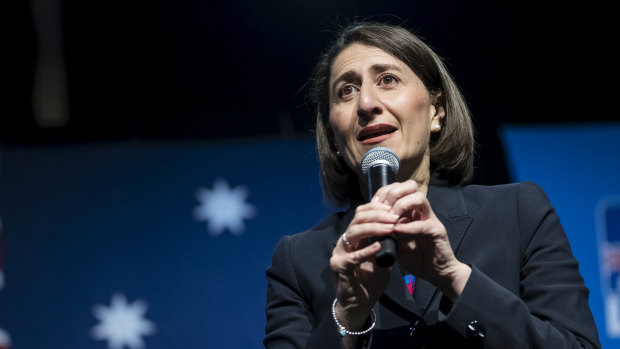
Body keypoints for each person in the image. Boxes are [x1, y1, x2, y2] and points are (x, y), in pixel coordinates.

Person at [264, 21, 601, 348]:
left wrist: (454, 276)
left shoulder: (519, 212)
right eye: (346, 91)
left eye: (388, 79)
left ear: (436, 112)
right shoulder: (298, 259)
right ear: (334, 135)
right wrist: (348, 315)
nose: (366, 104)